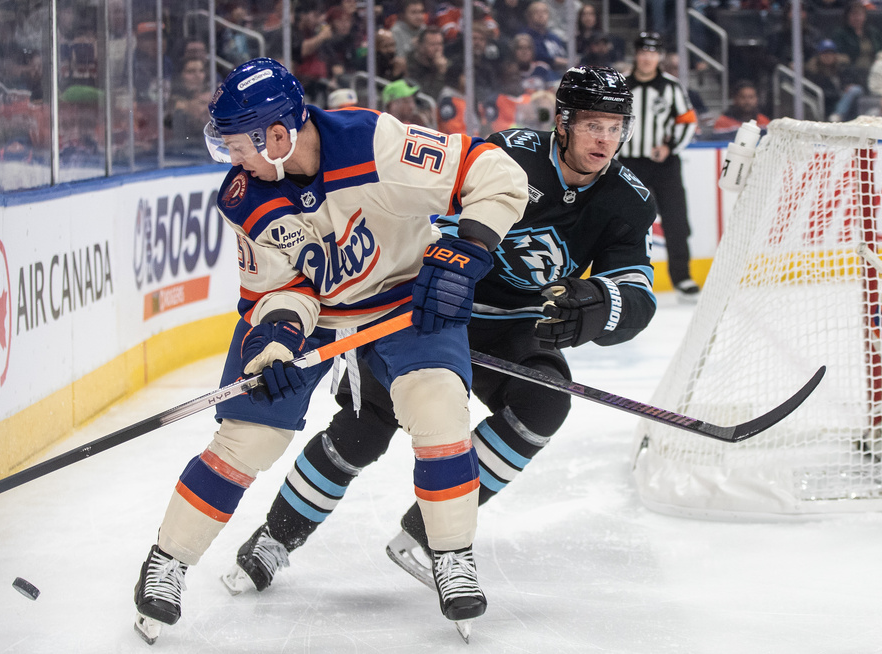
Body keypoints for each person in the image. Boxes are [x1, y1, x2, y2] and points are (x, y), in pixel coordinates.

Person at [222, 65, 657, 617]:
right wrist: (444, 270)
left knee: (546, 398)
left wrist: (600, 309)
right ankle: (275, 537)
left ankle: (431, 534)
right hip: (436, 306)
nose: (605, 140)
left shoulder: (628, 199)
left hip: (516, 325)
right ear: (564, 122)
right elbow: (440, 215)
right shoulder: (513, 155)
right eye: (594, 124)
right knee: (364, 429)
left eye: (616, 127)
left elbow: (635, 290)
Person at [131, 57, 528, 644]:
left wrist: (468, 251)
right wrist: (276, 346)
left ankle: (451, 555)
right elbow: (277, 289)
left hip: (402, 301)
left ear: (277, 134)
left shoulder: (373, 142)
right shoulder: (244, 196)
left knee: (438, 405)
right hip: (313, 318)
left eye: (236, 145)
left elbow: (493, 172)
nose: (230, 160)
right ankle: (167, 561)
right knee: (249, 437)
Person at [619, 32, 699, 302]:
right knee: (626, 221)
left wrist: (670, 147)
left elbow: (688, 120)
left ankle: (683, 277)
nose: (647, 57)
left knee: (676, 219)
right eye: (643, 52)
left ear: (659, 57)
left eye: (652, 52)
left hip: (665, 164)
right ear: (636, 54)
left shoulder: (671, 86)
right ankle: (622, 276)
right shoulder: (622, 86)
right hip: (629, 163)